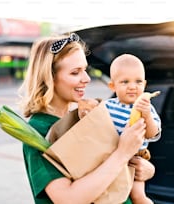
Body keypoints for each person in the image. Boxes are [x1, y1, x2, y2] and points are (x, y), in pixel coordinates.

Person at [18, 33, 155, 204]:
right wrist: (122, 154)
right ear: (50, 77)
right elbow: (68, 199)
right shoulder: (38, 131)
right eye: (75, 73)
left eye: (85, 70)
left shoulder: (82, 118)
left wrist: (144, 169)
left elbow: (106, 166)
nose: (87, 79)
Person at [105, 54, 162, 204]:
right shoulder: (107, 106)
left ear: (144, 84)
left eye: (138, 81)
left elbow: (152, 134)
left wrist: (147, 116)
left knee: (138, 197)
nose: (132, 86)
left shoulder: (147, 108)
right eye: (125, 82)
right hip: (109, 155)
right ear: (113, 86)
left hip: (135, 158)